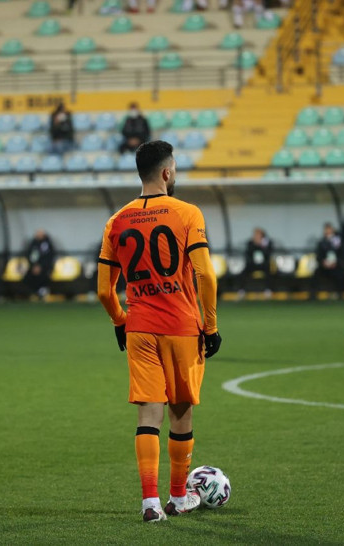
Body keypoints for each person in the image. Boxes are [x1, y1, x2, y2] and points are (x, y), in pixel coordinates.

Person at [97, 140, 222, 523]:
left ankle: (150, 503)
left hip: (140, 327)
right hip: (181, 327)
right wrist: (211, 326)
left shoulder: (117, 220)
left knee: (148, 415)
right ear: (167, 172)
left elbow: (104, 290)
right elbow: (205, 275)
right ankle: (178, 497)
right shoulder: (187, 213)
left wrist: (120, 320)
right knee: (180, 414)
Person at [237, 227, 274, 299]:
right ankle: (242, 291)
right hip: (253, 264)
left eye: (258, 235)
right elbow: (248, 254)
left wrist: (262, 246)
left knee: (269, 271)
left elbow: (268, 254)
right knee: (243, 273)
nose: (256, 236)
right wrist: (255, 245)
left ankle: (268, 290)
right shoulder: (250, 243)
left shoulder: (267, 243)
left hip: (264, 264)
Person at [311, 222, 343, 300]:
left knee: (340, 274)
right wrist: (323, 262)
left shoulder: (338, 241)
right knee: (316, 273)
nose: (328, 231)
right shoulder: (321, 242)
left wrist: (336, 262)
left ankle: (339, 294)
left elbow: (342, 254)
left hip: (335, 266)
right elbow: (318, 256)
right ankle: (313, 295)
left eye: (329, 229)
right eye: (326, 230)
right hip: (324, 266)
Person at [23, 230, 55, 299]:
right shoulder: (33, 244)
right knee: (27, 277)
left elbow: (49, 257)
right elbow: (29, 255)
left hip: (45, 267)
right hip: (33, 267)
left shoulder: (47, 244)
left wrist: (41, 266)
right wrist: (34, 266)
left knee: (44, 275)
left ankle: (42, 292)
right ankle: (32, 293)